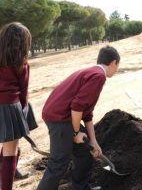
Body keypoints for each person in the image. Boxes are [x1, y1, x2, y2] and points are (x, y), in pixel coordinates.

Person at [37, 46, 120, 190]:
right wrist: (76, 133)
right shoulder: (98, 76)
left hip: (63, 116)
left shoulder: (91, 72)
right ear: (114, 62)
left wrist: (93, 141)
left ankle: (81, 188)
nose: (117, 69)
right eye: (118, 66)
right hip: (60, 118)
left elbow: (86, 114)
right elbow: (77, 107)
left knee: (85, 153)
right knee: (59, 163)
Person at [0, 22, 32, 190]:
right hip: (9, 107)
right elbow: (23, 94)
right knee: (10, 152)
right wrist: (22, 117)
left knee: (7, 149)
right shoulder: (22, 64)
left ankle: (7, 172)